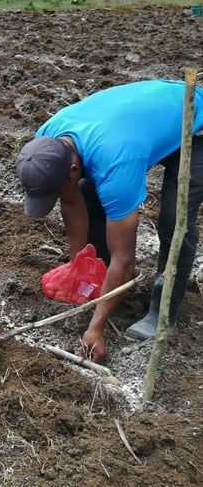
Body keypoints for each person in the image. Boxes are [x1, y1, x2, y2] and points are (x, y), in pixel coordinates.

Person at [17, 79, 203, 362]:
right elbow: (71, 200)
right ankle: (100, 279)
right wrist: (79, 268)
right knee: (90, 194)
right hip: (145, 118)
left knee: (174, 221)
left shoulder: (117, 164)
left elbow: (125, 258)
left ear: (73, 168)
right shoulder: (47, 140)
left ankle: (162, 312)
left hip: (196, 124)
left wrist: (96, 328)